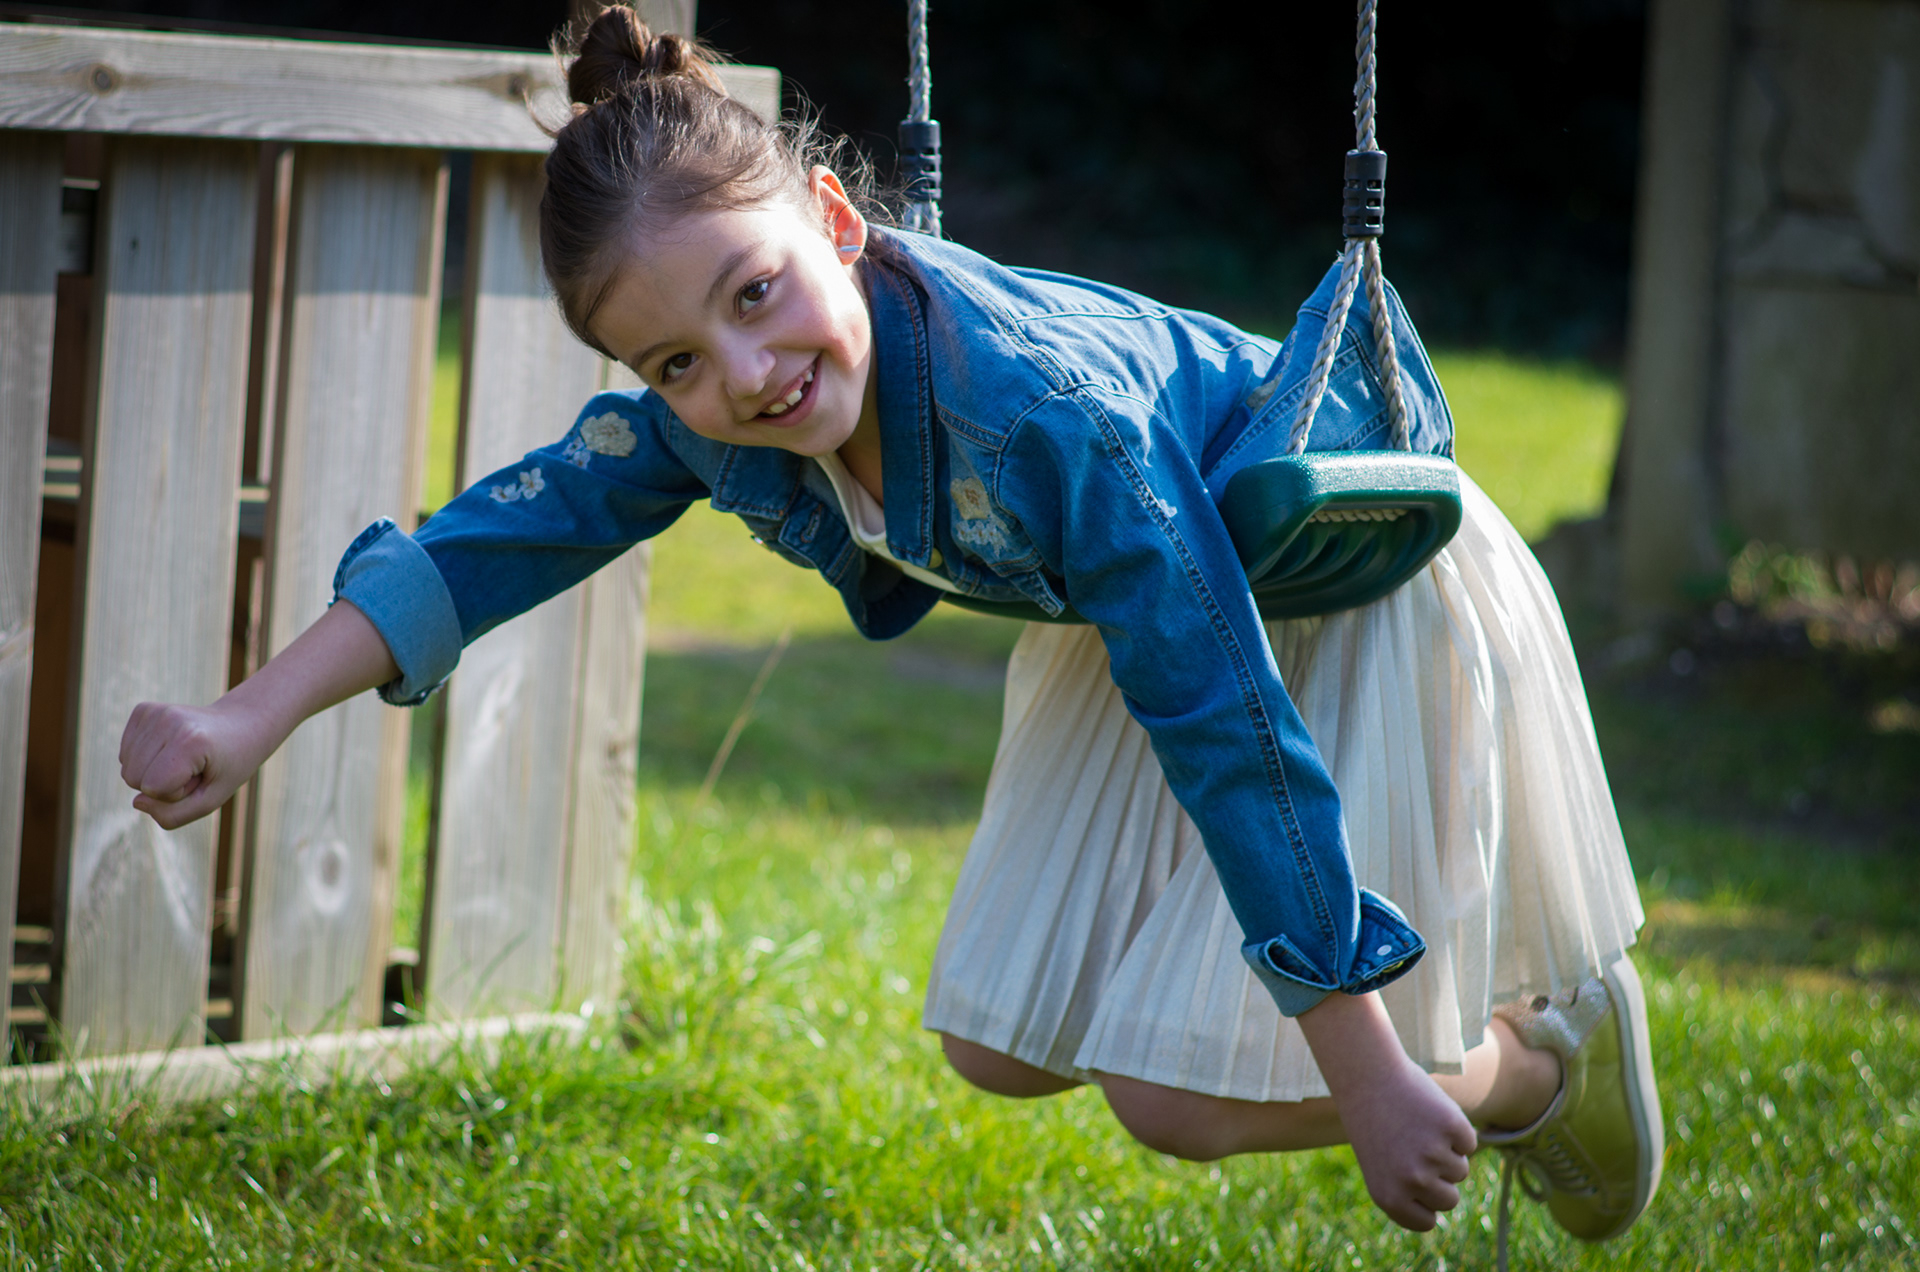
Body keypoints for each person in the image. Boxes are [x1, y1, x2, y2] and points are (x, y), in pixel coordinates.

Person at [117, 6, 1660, 1247]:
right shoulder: (722, 427)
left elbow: (1223, 724)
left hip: (1335, 577)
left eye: (753, 294)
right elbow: (500, 538)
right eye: (671, 363)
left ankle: (1533, 1064)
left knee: (1172, 1102)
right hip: (1164, 610)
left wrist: (1371, 1072)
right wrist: (250, 717)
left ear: (839, 222)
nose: (742, 375)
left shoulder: (1047, 418)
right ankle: (1483, 1063)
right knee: (999, 1045)